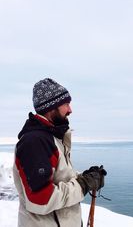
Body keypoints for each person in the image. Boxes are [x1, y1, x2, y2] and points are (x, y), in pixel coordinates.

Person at [13, 78, 106, 227]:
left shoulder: (52, 137)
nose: (70, 110)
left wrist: (85, 177)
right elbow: (41, 199)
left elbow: (59, 177)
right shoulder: (35, 142)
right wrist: (83, 185)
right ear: (51, 107)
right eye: (66, 104)